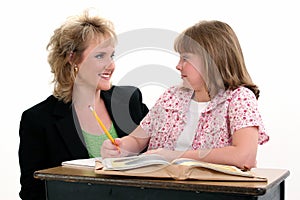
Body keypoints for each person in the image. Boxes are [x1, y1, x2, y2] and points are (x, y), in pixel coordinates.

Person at [101, 20, 269, 170]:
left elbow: (244, 157)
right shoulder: (172, 96)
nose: (178, 66)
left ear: (211, 60)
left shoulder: (239, 98)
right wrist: (121, 147)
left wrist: (174, 156)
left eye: (185, 58)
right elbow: (138, 140)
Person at [18, 10, 148, 200]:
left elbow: (158, 159)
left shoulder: (130, 100)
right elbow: (32, 192)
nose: (110, 65)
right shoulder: (38, 120)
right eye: (99, 56)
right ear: (72, 59)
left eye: (112, 56)